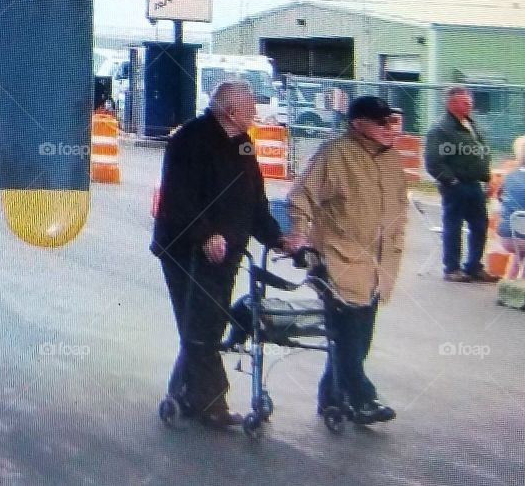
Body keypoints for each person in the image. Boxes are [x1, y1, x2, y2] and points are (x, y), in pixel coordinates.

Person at [151, 80, 289, 430]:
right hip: (186, 250)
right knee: (202, 322)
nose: (255, 113)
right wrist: (205, 234)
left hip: (228, 251)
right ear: (230, 111)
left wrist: (277, 238)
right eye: (250, 108)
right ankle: (210, 401)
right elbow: (179, 199)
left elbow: (254, 201)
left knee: (207, 323)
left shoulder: (242, 144)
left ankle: (182, 392)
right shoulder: (190, 139)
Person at [285, 95, 407, 426]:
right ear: (358, 124)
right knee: (348, 336)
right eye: (381, 122)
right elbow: (300, 197)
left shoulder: (391, 159)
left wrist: (396, 242)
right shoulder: (334, 154)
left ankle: (332, 398)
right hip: (337, 259)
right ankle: (363, 399)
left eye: (391, 121)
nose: (389, 128)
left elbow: (398, 207)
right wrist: (298, 235)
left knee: (358, 338)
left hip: (379, 264)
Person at [424, 86, 497, 282]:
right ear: (452, 104)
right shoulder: (440, 129)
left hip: (475, 184)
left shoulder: (471, 124)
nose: (470, 105)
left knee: (480, 225)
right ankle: (452, 268)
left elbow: (482, 152)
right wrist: (452, 181)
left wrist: (487, 177)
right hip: (456, 186)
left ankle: (474, 267)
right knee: (453, 226)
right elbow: (433, 162)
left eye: (470, 101)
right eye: (465, 102)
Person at [496, 136, 525, 279]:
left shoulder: (509, 177)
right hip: (522, 235)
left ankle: (510, 282)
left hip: (507, 235)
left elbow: (500, 198)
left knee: (519, 254)